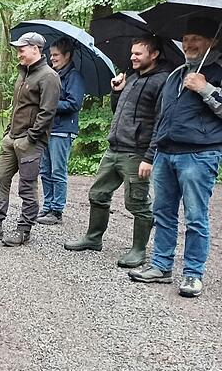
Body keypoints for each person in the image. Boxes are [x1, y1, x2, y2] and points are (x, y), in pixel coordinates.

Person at [128, 18, 222, 297]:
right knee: (163, 213)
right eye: (186, 38)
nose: (189, 44)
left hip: (199, 155)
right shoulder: (175, 74)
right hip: (166, 154)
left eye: (196, 38)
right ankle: (161, 265)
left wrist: (206, 89)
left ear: (213, 41)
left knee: (195, 217)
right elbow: (161, 117)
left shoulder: (216, 73)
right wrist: (153, 152)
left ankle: (193, 274)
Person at [64, 36, 170, 268]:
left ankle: (138, 250)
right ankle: (93, 238)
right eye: (132, 53)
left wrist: (150, 157)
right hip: (114, 149)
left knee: (138, 203)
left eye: (138, 53)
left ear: (154, 55)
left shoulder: (162, 81)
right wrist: (116, 91)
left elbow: (162, 122)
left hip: (137, 153)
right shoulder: (131, 78)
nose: (132, 57)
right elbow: (118, 110)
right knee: (98, 194)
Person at [0, 32, 60, 246]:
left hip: (30, 142)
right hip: (12, 138)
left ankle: (23, 230)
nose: (18, 53)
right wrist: (8, 132)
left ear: (35, 49)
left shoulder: (48, 76)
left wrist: (31, 137)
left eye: (22, 49)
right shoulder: (23, 73)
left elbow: (47, 113)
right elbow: (18, 107)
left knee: (27, 187)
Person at [37, 37, 85, 225]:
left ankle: (57, 210)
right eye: (51, 55)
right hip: (47, 128)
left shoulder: (74, 77)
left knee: (58, 171)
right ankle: (47, 206)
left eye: (56, 55)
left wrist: (50, 104)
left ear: (67, 56)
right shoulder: (52, 75)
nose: (52, 58)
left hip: (63, 130)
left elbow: (74, 103)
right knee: (45, 170)